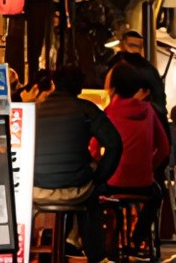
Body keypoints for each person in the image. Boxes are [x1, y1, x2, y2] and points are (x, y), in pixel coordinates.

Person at [33, 65, 123, 263]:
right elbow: (115, 145)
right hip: (76, 189)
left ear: (54, 84)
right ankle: (97, 255)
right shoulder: (86, 109)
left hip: (36, 189)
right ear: (80, 88)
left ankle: (47, 248)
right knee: (90, 197)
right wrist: (99, 178)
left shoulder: (35, 109)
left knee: (83, 185)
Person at [97, 61, 170, 257]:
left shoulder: (109, 112)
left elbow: (94, 149)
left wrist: (101, 168)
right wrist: (149, 169)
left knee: (99, 198)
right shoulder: (150, 111)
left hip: (114, 182)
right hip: (143, 183)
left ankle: (108, 244)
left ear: (114, 87)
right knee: (156, 195)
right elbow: (164, 148)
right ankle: (136, 240)